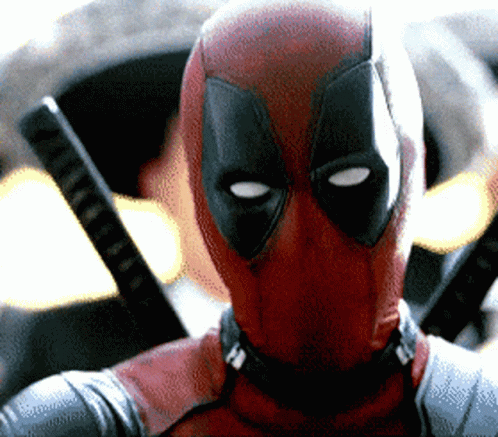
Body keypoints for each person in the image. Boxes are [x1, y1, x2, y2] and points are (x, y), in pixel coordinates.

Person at [2, 0, 498, 436]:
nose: (301, 222)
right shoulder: (68, 362)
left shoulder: (458, 367)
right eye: (247, 172)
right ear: (159, 178)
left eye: (341, 171)